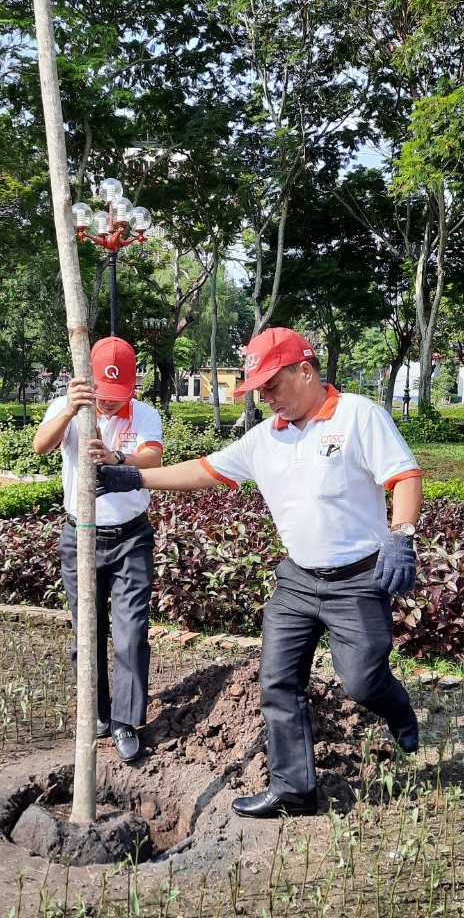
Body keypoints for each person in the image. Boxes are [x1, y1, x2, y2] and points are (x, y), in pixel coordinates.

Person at [94, 327, 422, 817]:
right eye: (259, 389)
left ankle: (398, 711)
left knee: (361, 682)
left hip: (356, 578)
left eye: (272, 386)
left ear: (304, 371)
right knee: (277, 682)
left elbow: (405, 474)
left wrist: (402, 534)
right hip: (297, 580)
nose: (265, 398)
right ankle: (294, 789)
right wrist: (134, 474)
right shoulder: (265, 438)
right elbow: (206, 470)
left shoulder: (357, 416)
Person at [33, 337, 163, 763]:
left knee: (130, 632)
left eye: (117, 398)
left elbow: (153, 459)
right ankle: (98, 714)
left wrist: (116, 456)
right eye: (102, 397)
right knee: (86, 630)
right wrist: (71, 410)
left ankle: (126, 722)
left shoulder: (144, 414)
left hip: (131, 538)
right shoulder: (68, 407)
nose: (108, 406)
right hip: (80, 536)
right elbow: (41, 445)